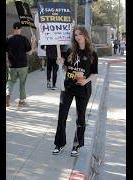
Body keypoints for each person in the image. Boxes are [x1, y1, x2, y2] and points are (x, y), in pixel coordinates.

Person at [53, 26, 98, 156]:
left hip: (83, 89)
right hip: (68, 87)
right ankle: (59, 144)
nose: (78, 37)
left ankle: (76, 146)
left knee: (80, 118)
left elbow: (94, 73)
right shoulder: (70, 50)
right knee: (62, 116)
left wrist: (85, 80)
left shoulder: (92, 53)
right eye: (76, 35)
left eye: (80, 34)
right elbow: (66, 68)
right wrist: (61, 63)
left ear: (85, 35)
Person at [6, 22, 36, 107]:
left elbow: (6, 52)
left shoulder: (8, 39)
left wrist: (7, 60)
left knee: (10, 81)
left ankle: (7, 96)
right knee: (22, 83)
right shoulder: (24, 39)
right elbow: (30, 53)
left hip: (12, 65)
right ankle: (21, 102)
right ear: (20, 29)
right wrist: (33, 42)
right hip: (23, 65)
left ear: (13, 29)